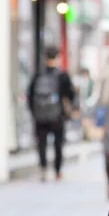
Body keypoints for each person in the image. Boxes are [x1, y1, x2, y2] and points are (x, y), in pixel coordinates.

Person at [28, 45, 77, 181]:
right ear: (58, 57)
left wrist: (34, 111)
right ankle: (57, 171)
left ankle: (43, 169)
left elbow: (30, 95)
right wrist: (70, 108)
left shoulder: (38, 75)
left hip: (40, 116)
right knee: (58, 144)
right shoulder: (62, 75)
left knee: (41, 143)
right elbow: (71, 94)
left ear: (45, 58)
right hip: (57, 115)